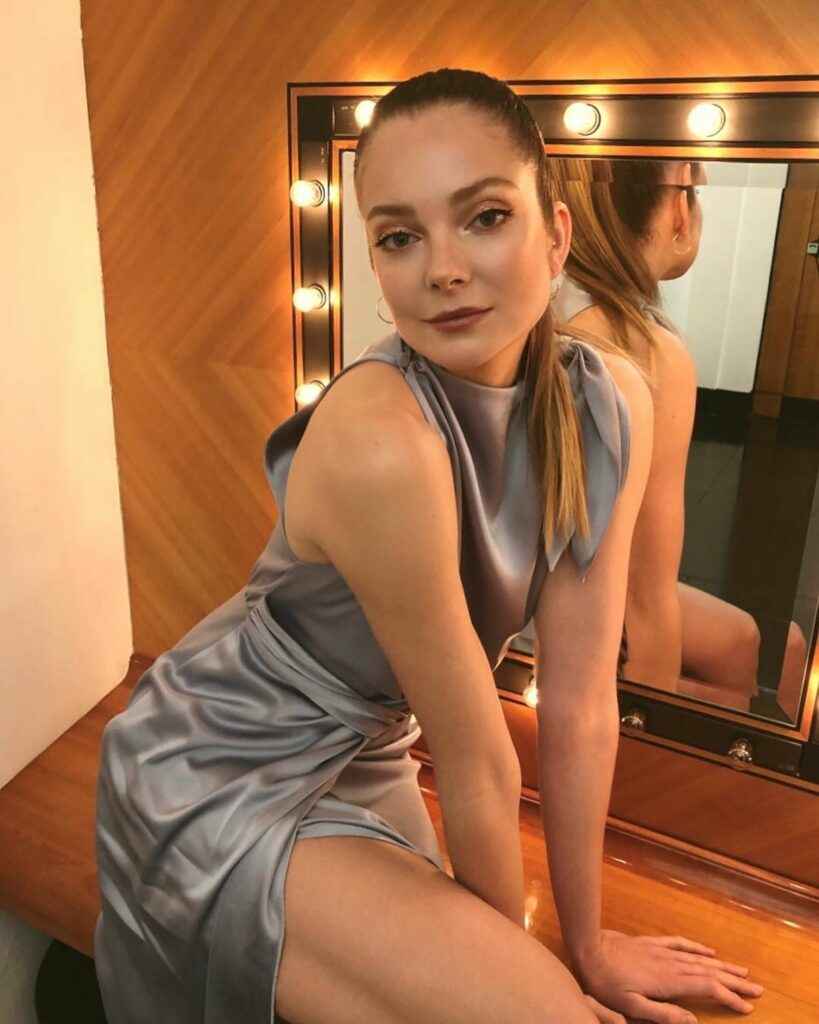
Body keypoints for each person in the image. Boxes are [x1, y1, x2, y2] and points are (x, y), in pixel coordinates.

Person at [93, 69, 764, 1024]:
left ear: (556, 235)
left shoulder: (610, 400)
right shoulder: (381, 441)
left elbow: (579, 703)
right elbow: (477, 758)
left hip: (370, 754)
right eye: (399, 236)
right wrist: (527, 976)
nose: (442, 269)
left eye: (484, 217)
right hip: (219, 768)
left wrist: (587, 946)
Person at [543, 156, 807, 699]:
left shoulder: (541, 303)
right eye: (694, 189)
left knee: (758, 641)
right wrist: (646, 727)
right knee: (746, 694)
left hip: (538, 582)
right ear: (677, 210)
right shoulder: (646, 353)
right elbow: (646, 597)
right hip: (560, 617)